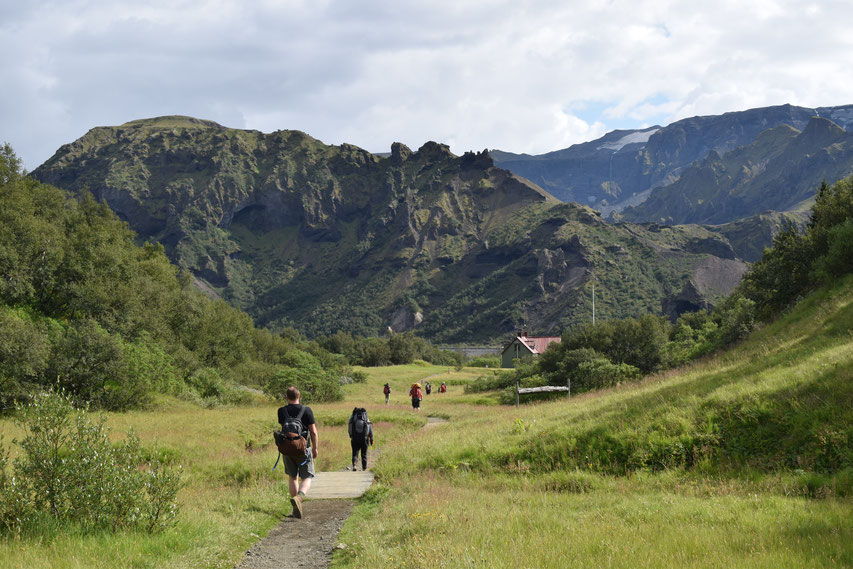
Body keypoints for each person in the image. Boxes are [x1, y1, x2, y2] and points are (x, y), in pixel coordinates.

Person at [277, 386, 318, 519]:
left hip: (287, 449)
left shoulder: (281, 411)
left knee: (293, 477)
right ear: (299, 395)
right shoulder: (306, 410)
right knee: (307, 476)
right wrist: (315, 448)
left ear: (287, 397)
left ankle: (295, 509)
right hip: (303, 449)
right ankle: (300, 498)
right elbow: (313, 431)